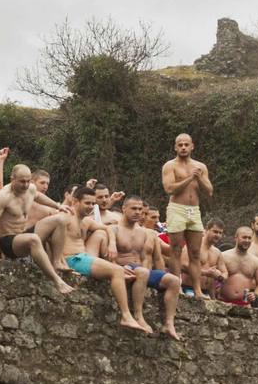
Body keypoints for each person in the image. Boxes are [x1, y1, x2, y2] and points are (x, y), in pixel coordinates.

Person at [53, 184, 158, 334]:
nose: (91, 207)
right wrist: (56, 261)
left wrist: (113, 244)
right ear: (75, 201)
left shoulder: (86, 221)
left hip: (84, 257)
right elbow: (47, 237)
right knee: (117, 271)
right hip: (73, 259)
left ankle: (135, 315)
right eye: (87, 203)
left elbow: (108, 228)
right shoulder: (64, 218)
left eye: (92, 204)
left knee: (121, 269)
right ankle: (126, 315)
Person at [0, 148, 73, 296]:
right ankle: (56, 280)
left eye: (28, 181)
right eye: (22, 181)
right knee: (33, 239)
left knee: (60, 219)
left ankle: (57, 261)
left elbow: (39, 196)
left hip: (23, 234)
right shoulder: (3, 197)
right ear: (12, 179)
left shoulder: (30, 189)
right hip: (8, 242)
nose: (26, 185)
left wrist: (58, 206)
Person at [102, 195, 180, 336]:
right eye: (133, 208)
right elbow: (108, 253)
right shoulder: (113, 228)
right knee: (143, 272)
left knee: (174, 281)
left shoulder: (143, 233)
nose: (137, 212)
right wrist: (113, 248)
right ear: (124, 209)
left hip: (140, 270)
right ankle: (138, 316)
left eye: (140, 209)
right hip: (123, 268)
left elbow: (148, 258)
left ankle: (169, 324)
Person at [160, 133, 213, 298]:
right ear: (175, 147)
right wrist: (190, 178)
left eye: (186, 144)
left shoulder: (200, 166)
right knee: (175, 250)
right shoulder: (170, 165)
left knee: (195, 252)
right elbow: (169, 189)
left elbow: (209, 191)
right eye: (180, 145)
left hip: (194, 210)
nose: (183, 147)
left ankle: (197, 290)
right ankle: (178, 287)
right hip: (177, 209)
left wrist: (199, 178)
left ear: (192, 146)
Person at [217, 226, 258, 307]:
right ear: (236, 238)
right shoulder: (223, 256)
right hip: (223, 302)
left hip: (245, 304)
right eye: (244, 237)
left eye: (249, 238)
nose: (247, 240)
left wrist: (255, 294)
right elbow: (214, 277)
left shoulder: (256, 261)